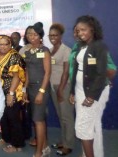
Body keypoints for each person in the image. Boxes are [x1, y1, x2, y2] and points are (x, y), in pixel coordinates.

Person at [69, 15, 110, 157]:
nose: (80, 33)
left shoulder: (99, 46)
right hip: (80, 90)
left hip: (91, 91)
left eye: (83, 30)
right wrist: (72, 92)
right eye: (78, 30)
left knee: (83, 128)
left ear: (92, 29)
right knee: (85, 126)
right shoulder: (81, 45)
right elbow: (75, 70)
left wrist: (91, 96)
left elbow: (101, 74)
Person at [0, 35, 26, 152]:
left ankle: (17, 145)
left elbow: (16, 77)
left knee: (13, 117)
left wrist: (11, 94)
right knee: (3, 116)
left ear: (10, 44)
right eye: (0, 44)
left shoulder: (14, 56)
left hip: (12, 90)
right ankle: (6, 138)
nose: (3, 46)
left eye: (6, 44)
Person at [22, 22, 51, 157]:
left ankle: (39, 152)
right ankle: (45, 147)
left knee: (38, 120)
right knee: (37, 119)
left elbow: (47, 73)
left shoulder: (44, 51)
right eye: (29, 34)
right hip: (31, 88)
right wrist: (24, 90)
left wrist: (41, 92)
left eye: (34, 34)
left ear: (40, 36)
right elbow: (27, 72)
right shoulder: (28, 51)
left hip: (41, 89)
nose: (31, 37)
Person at [48, 23, 74, 156]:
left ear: (60, 36)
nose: (53, 37)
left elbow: (66, 72)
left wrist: (60, 89)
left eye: (55, 35)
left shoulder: (66, 50)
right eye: (51, 35)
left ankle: (68, 145)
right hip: (53, 86)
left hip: (63, 87)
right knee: (60, 116)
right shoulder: (51, 50)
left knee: (67, 117)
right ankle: (63, 141)